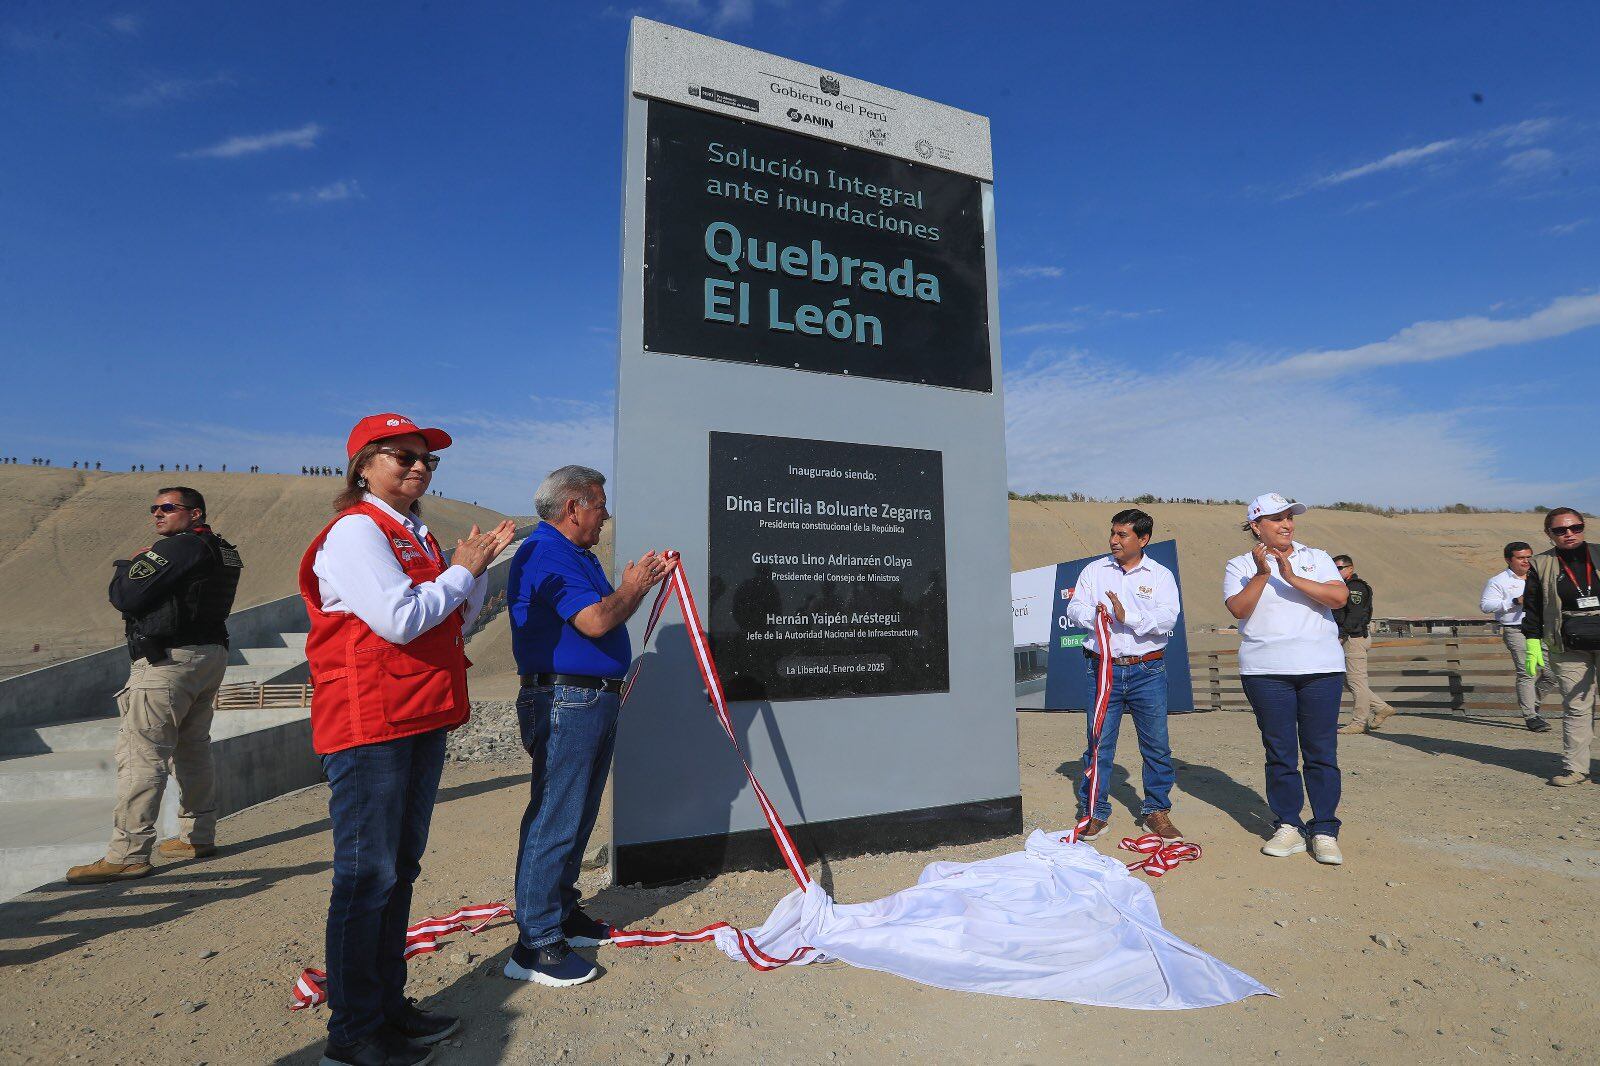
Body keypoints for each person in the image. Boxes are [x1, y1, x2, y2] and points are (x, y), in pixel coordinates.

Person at [300, 413, 515, 1065]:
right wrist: (461, 571)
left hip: (417, 715)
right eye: (402, 456)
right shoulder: (357, 531)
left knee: (399, 870)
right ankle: (355, 1032)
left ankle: (387, 1008)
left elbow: (457, 616)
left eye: (427, 460)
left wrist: (470, 574)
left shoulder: (414, 534)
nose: (418, 467)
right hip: (371, 723)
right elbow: (400, 619)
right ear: (363, 465)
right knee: (367, 876)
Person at [504, 465, 675, 987]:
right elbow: (596, 620)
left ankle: (562, 912)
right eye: (599, 504)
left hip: (589, 698)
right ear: (572, 507)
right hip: (565, 698)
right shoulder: (546, 553)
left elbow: (603, 614)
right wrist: (634, 586)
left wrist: (634, 587)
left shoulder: (574, 555)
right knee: (557, 814)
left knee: (577, 814)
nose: (606, 513)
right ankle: (536, 944)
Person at [66, 487, 244, 884]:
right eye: (154, 508)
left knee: (141, 754)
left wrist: (131, 562)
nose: (158, 515)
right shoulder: (222, 548)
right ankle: (199, 836)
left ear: (194, 513)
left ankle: (128, 854)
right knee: (192, 748)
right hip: (208, 655)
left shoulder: (179, 548)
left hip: (168, 662)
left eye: (168, 508)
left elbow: (126, 595)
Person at [1222, 493, 1350, 866]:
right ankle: (1289, 825)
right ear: (1256, 526)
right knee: (1280, 753)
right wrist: (1264, 574)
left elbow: (1338, 597)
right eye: (1276, 519)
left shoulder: (1316, 557)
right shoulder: (1239, 564)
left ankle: (1325, 829)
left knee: (1321, 752)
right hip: (1266, 670)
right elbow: (1238, 608)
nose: (1286, 524)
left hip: (1320, 668)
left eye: (1289, 518)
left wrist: (1291, 576)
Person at [1063, 508, 1183, 841]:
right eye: (1113, 533)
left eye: (1123, 535)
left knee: (1156, 746)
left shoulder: (1159, 575)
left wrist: (1125, 615)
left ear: (1143, 539)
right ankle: (1095, 813)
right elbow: (1074, 609)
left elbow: (1166, 619)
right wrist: (1097, 614)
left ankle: (1156, 811)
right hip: (1102, 670)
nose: (1114, 540)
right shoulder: (1094, 570)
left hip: (1148, 669)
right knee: (1099, 744)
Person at [1522, 508, 1600, 787]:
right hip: (1565, 640)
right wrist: (1532, 641)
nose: (1569, 534)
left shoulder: (1599, 552)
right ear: (1549, 534)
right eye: (1560, 530)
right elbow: (1531, 607)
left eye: (1575, 527)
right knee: (1577, 705)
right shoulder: (1540, 564)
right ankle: (1575, 769)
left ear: (1583, 527)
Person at [1480, 541, 1556, 732]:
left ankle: (1532, 703)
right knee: (1527, 672)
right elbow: (1486, 606)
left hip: (1542, 630)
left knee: (1552, 674)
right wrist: (1515, 601)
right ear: (1508, 559)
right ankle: (1531, 716)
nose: (1526, 561)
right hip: (1516, 629)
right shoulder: (1498, 581)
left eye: (1529, 556)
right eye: (1521, 557)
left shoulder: (1539, 576)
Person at [1332, 555, 1398, 735]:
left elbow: (1354, 615)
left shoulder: (1355, 588)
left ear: (1350, 568)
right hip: (1349, 638)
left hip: (1353, 638)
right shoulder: (1342, 587)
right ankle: (1381, 707)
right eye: (1334, 567)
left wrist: (1342, 635)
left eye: (1340, 568)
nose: (1337, 571)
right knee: (1349, 680)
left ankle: (1359, 722)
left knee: (1356, 681)